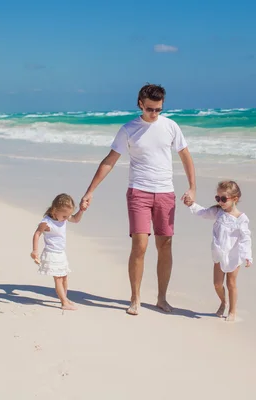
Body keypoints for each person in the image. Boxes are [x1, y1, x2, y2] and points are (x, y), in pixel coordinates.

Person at [80, 83, 196, 316]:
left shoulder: (171, 126)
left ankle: (162, 299)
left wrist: (192, 188)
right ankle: (135, 299)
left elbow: (185, 156)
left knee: (165, 245)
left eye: (158, 109)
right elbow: (110, 160)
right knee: (140, 246)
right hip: (139, 192)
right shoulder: (128, 129)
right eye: (150, 109)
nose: (154, 114)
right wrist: (90, 190)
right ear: (140, 104)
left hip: (165, 193)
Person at [182, 180, 253, 322]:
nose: (220, 201)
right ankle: (223, 301)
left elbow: (246, 238)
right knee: (217, 284)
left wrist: (247, 256)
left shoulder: (241, 219)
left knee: (231, 284)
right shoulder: (217, 212)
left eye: (223, 199)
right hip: (219, 253)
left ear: (235, 199)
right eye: (217, 198)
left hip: (234, 255)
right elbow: (203, 213)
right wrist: (191, 204)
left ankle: (232, 311)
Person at [31, 193, 85, 311]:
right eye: (65, 216)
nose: (67, 218)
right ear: (55, 210)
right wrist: (35, 250)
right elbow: (37, 234)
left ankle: (64, 298)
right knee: (58, 279)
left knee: (64, 277)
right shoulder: (47, 222)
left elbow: (75, 219)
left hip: (61, 253)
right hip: (52, 254)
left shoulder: (62, 217)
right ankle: (64, 302)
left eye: (68, 216)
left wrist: (81, 210)